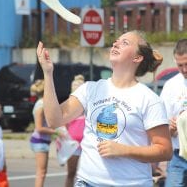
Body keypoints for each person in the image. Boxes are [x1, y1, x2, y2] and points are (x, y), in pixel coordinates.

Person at [37, 30, 173, 187]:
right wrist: (48, 73)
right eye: (116, 41)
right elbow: (54, 119)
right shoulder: (90, 89)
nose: (115, 43)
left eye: (125, 43)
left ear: (137, 58)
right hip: (87, 182)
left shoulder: (149, 99)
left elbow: (165, 150)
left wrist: (123, 150)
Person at [160, 38, 187, 187]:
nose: (184, 70)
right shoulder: (171, 86)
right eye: (180, 65)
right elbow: (159, 125)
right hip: (178, 157)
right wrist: (169, 128)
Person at [30, 79, 64, 187]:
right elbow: (39, 128)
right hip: (39, 141)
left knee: (42, 172)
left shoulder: (42, 103)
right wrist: (56, 132)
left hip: (42, 140)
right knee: (41, 172)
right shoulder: (40, 106)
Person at [65, 74, 85, 187]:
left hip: (87, 144)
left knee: (86, 175)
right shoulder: (68, 104)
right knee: (71, 173)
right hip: (73, 145)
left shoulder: (89, 104)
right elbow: (63, 125)